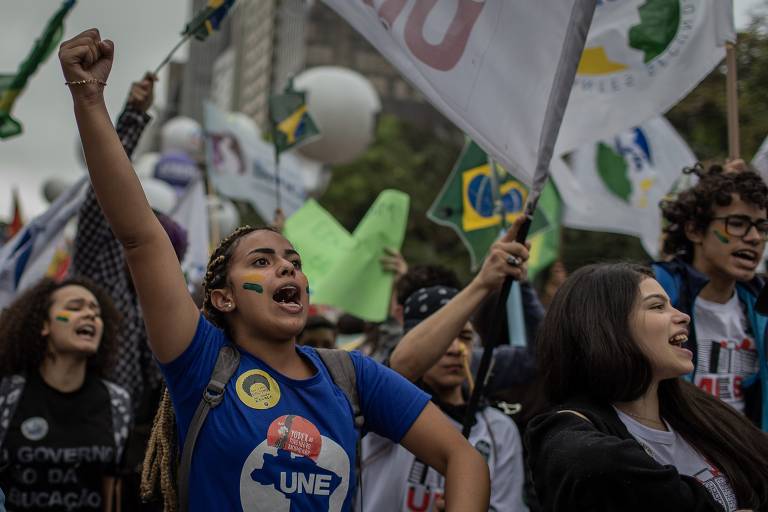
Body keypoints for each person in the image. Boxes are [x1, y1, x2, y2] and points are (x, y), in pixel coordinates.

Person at [59, 29, 490, 511]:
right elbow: (141, 237)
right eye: (262, 262)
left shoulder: (352, 377)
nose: (288, 268)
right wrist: (90, 100)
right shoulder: (201, 362)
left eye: (294, 262)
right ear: (224, 298)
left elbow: (463, 458)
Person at [525, 263, 768, 511]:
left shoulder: (697, 408)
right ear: (608, 326)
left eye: (671, 304)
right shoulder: (572, 437)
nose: (683, 316)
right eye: (657, 306)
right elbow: (595, 464)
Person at [71, 69, 186, 510]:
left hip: (135, 465)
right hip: (79, 448)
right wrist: (134, 115)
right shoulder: (101, 274)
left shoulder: (163, 308)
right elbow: (104, 195)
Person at [361, 222, 531, 511]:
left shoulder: (499, 429)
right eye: (443, 340)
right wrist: (482, 284)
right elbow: (400, 367)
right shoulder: (386, 410)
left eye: (464, 336)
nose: (454, 349)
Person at [0, 277, 131, 511]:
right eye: (74, 307)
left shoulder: (117, 402)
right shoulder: (7, 395)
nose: (90, 315)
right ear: (44, 325)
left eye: (96, 311)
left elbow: (113, 489)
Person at [655, 164, 768, 430]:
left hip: (746, 462)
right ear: (694, 230)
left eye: (762, 227)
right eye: (737, 224)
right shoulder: (654, 291)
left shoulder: (762, 304)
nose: (753, 238)